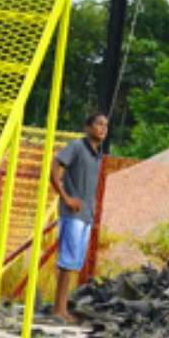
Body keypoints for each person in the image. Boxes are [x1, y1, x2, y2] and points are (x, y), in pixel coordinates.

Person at [49, 110, 108, 323]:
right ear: (88, 127)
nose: (103, 129)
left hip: (86, 215)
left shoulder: (98, 153)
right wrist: (65, 197)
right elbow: (54, 167)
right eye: (99, 124)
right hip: (72, 213)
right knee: (66, 261)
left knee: (74, 262)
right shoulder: (76, 146)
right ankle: (58, 310)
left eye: (106, 125)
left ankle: (63, 309)